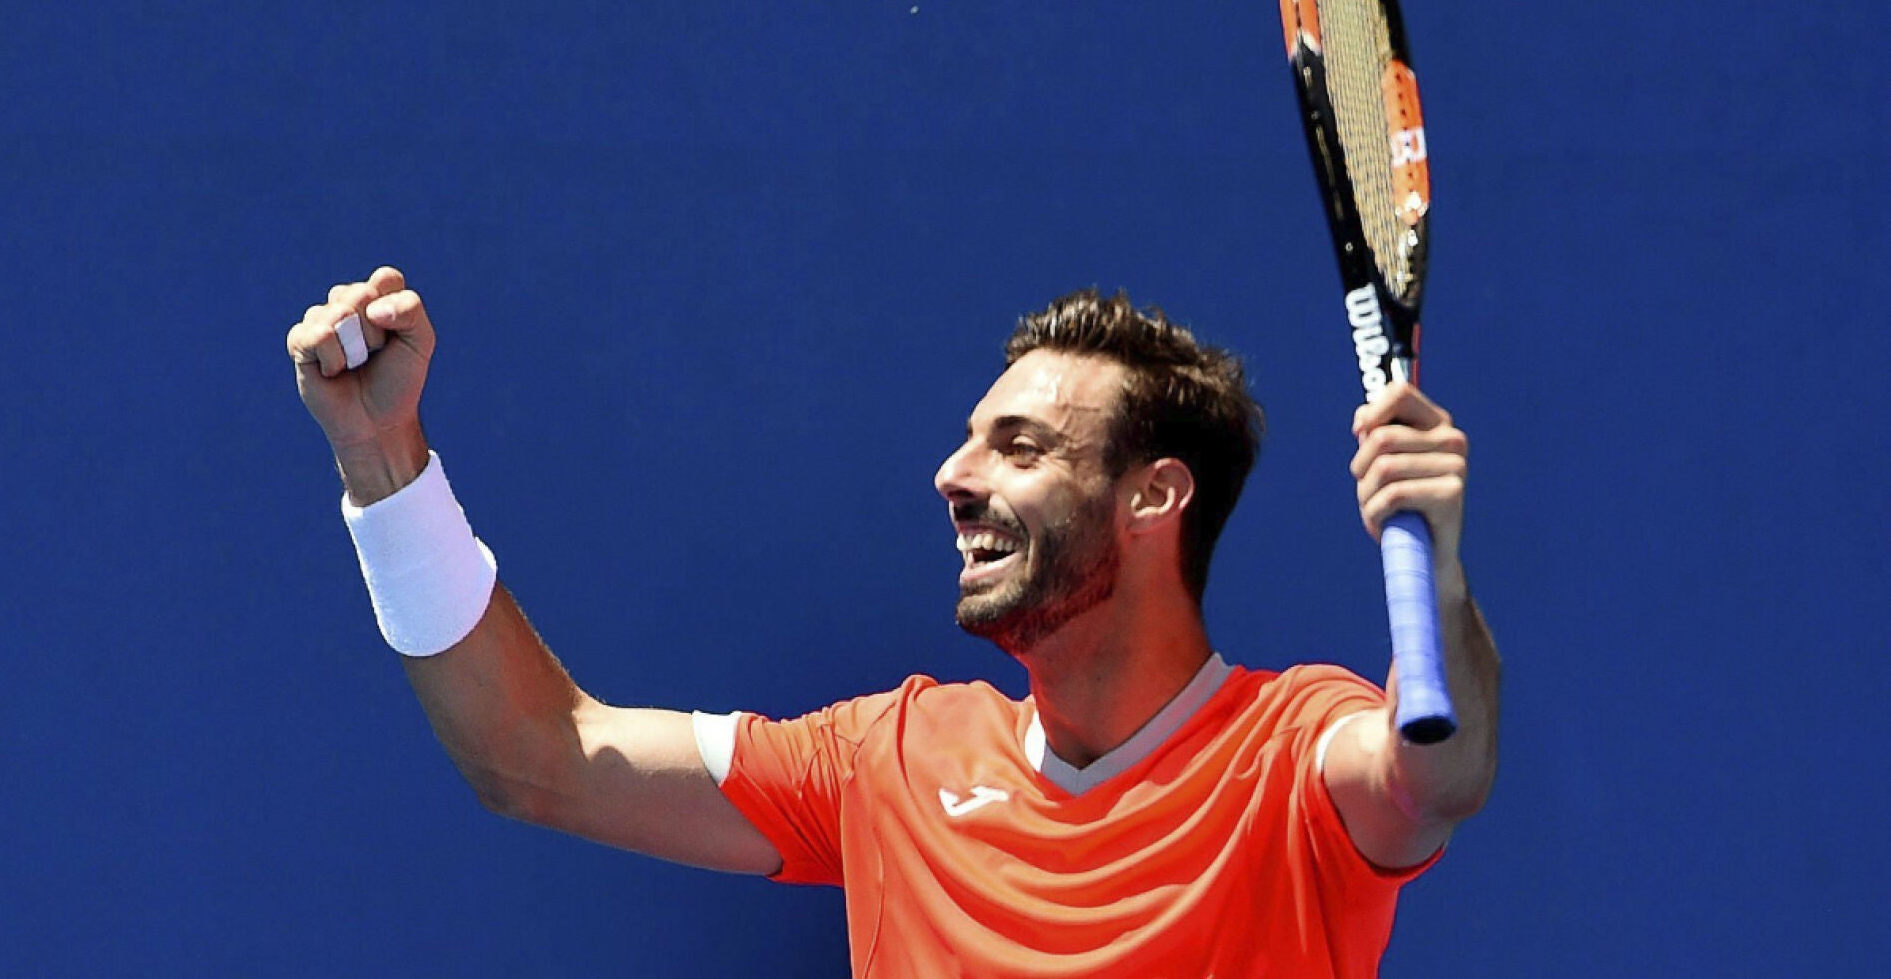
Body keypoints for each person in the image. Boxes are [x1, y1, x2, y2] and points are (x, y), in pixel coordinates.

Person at [287, 266, 1499, 978]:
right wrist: (383, 458)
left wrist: (1436, 572)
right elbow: (535, 753)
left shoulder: (1293, 749)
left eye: (1018, 447)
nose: (952, 476)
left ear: (1153, 497)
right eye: (970, 440)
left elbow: (1431, 769)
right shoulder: (890, 760)